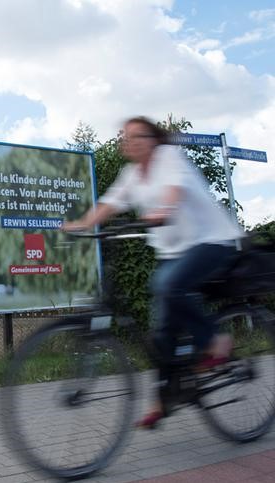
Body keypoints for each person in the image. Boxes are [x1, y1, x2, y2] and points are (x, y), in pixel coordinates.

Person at [63, 116, 244, 428]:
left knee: (167, 284)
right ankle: (165, 397)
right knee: (162, 332)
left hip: (212, 241)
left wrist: (163, 211)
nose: (128, 141)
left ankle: (217, 342)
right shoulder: (132, 173)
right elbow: (109, 203)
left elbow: (174, 191)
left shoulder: (169, 157)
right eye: (125, 136)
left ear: (152, 139)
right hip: (173, 252)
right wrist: (83, 224)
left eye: (136, 136)